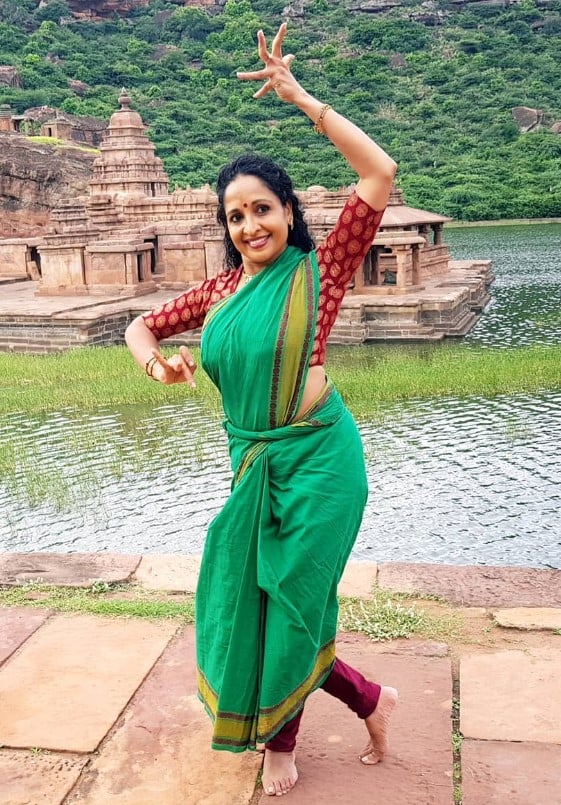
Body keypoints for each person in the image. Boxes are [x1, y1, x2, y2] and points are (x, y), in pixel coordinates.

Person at [125, 22, 398, 798]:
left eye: (261, 209)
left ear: (288, 211)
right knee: (247, 602)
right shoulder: (218, 294)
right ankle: (368, 700)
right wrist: (156, 364)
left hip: (319, 463)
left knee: (294, 605)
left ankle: (282, 742)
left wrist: (300, 97)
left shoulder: (323, 270)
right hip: (251, 467)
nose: (249, 226)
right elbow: (139, 324)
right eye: (234, 216)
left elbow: (378, 172)